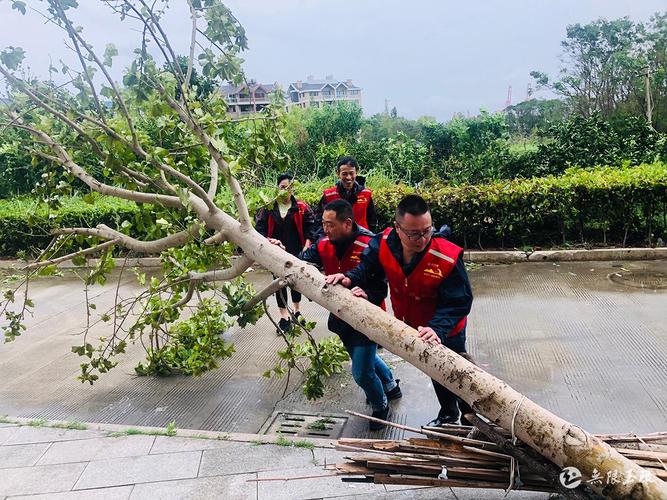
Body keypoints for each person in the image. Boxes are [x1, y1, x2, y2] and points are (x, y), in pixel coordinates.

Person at [325, 194, 473, 426]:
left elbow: (459, 302)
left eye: (427, 231)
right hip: (411, 324)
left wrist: (437, 329)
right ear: (397, 228)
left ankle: (469, 419)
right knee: (435, 372)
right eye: (413, 234)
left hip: (446, 329)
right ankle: (448, 414)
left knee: (455, 376)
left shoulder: (446, 256)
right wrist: (350, 279)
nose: (422, 239)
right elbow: (368, 270)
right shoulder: (383, 242)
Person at [299, 199, 401, 431]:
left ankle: (380, 406)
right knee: (362, 358)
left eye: (330, 225)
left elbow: (383, 283)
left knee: (362, 373)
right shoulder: (323, 244)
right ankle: (390, 385)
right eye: (323, 224)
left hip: (368, 318)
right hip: (341, 318)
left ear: (347, 223)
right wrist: (278, 251)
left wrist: (368, 294)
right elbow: (299, 261)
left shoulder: (369, 245)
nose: (325, 230)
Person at [255, 173, 317, 333]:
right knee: (279, 282)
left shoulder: (301, 207)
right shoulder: (268, 207)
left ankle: (296, 311)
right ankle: (284, 316)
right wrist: (269, 242)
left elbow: (311, 226)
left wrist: (307, 244)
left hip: (296, 251)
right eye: (282, 187)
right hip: (275, 253)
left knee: (296, 282)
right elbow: (260, 229)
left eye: (289, 188)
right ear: (277, 188)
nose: (285, 191)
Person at [314, 156, 377, 233]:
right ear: (338, 174)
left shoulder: (366, 194)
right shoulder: (329, 195)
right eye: (344, 174)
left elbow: (372, 221)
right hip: (335, 239)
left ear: (356, 172)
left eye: (351, 173)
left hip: (361, 239)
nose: (348, 177)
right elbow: (319, 220)